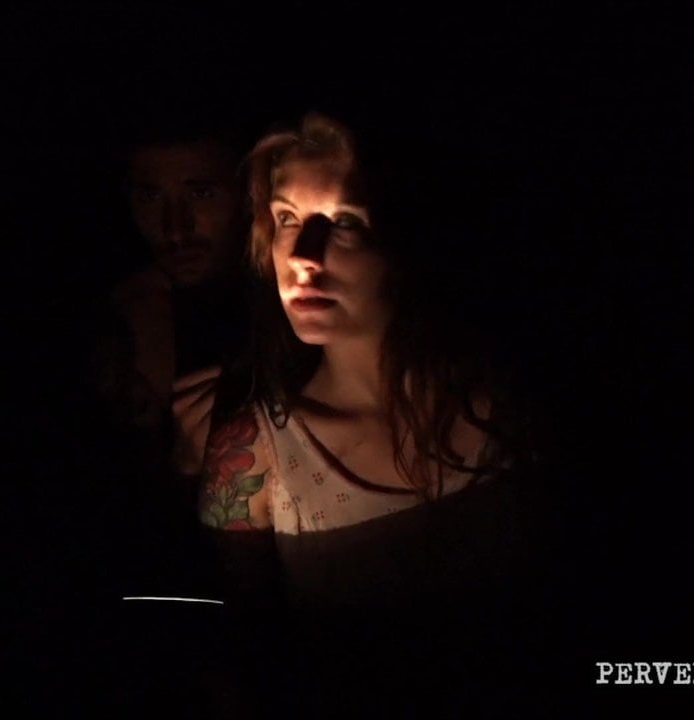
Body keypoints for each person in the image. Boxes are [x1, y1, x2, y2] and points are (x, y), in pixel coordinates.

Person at [195, 113, 543, 714]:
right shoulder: (253, 455)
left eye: (345, 222)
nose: (303, 258)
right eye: (286, 219)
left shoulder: (508, 402)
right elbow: (239, 661)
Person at [93, 122, 253, 480]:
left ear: (246, 194)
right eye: (150, 198)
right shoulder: (114, 321)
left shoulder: (296, 314)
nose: (175, 226)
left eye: (201, 194)